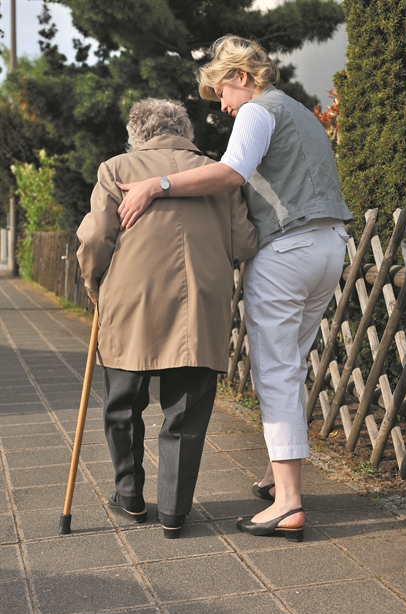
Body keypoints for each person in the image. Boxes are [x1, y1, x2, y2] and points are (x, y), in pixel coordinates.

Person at [115, 36, 353, 541]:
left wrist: (155, 185)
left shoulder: (257, 110)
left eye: (221, 90)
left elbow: (228, 174)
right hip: (332, 245)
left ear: (242, 77)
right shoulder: (301, 114)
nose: (221, 105)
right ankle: (277, 473)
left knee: (275, 372)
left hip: (287, 249)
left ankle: (288, 503)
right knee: (293, 361)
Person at [76, 98, 257, 538]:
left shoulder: (116, 169)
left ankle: (130, 496)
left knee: (122, 404)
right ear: (186, 131)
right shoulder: (219, 174)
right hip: (201, 301)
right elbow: (245, 244)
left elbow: (97, 236)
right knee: (185, 414)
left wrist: (92, 284)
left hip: (131, 302)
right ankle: (175, 512)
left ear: (137, 134)